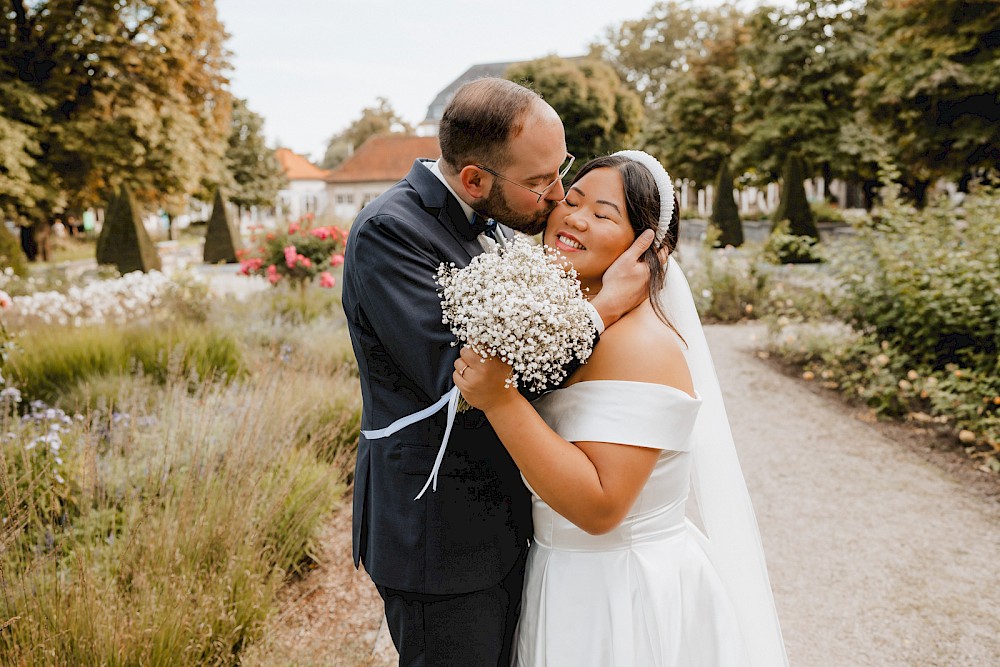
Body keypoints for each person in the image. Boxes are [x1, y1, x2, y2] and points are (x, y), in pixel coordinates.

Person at [340, 79, 657, 666]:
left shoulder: (495, 222)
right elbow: (476, 379)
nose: (557, 195)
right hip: (440, 540)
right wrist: (605, 308)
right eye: (540, 183)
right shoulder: (392, 233)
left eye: (558, 169)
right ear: (475, 180)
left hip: (506, 530)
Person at [456, 151, 788, 666]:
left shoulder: (641, 346)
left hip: (620, 595)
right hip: (563, 576)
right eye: (572, 199)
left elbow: (601, 507)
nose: (574, 218)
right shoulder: (576, 325)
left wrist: (499, 399)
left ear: (647, 247)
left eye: (604, 214)